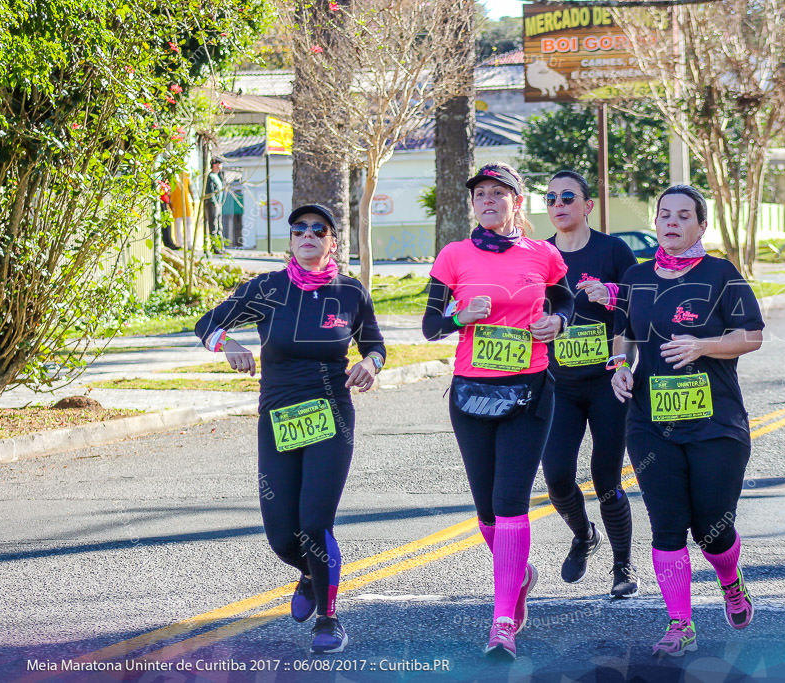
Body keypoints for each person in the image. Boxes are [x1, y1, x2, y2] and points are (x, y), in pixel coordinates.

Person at [194, 204, 386, 654]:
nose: (307, 234)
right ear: (291, 240)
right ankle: (309, 573)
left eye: (318, 230)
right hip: (278, 419)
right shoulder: (268, 288)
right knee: (282, 534)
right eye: (299, 228)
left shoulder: (350, 292)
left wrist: (369, 365)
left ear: (332, 242)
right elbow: (207, 323)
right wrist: (229, 343)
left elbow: (375, 344)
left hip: (331, 418)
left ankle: (329, 617)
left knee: (315, 522)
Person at [422, 162, 574, 660]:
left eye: (498, 193)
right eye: (480, 194)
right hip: (471, 393)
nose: (488, 200)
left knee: (510, 502)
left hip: (530, 390)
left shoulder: (544, 254)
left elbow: (565, 302)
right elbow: (429, 325)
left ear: (516, 200)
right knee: (487, 509)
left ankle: (503, 621)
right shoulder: (453, 255)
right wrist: (457, 316)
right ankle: (520, 573)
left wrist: (557, 321)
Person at [611, 185, 764, 657]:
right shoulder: (636, 277)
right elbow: (623, 336)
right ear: (655, 222)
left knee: (713, 531)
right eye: (664, 215)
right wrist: (619, 368)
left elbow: (753, 336)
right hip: (650, 422)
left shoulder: (721, 273)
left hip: (716, 422)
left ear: (701, 226)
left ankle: (730, 581)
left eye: (683, 215)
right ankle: (681, 624)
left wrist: (703, 345)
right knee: (667, 525)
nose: (672, 222)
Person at [541, 170, 640, 598]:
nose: (558, 204)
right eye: (550, 199)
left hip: (607, 382)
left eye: (567, 197)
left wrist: (613, 295)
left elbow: (637, 306)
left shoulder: (613, 250)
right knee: (558, 477)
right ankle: (584, 535)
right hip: (558, 383)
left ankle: (623, 567)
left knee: (606, 478)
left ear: (587, 205)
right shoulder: (539, 254)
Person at [205, 157, 226, 254]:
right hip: (213, 204)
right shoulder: (211, 176)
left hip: (218, 204)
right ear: (215, 165)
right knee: (214, 226)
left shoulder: (218, 176)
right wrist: (214, 202)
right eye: (219, 164)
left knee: (219, 226)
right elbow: (210, 191)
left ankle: (220, 246)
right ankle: (215, 247)